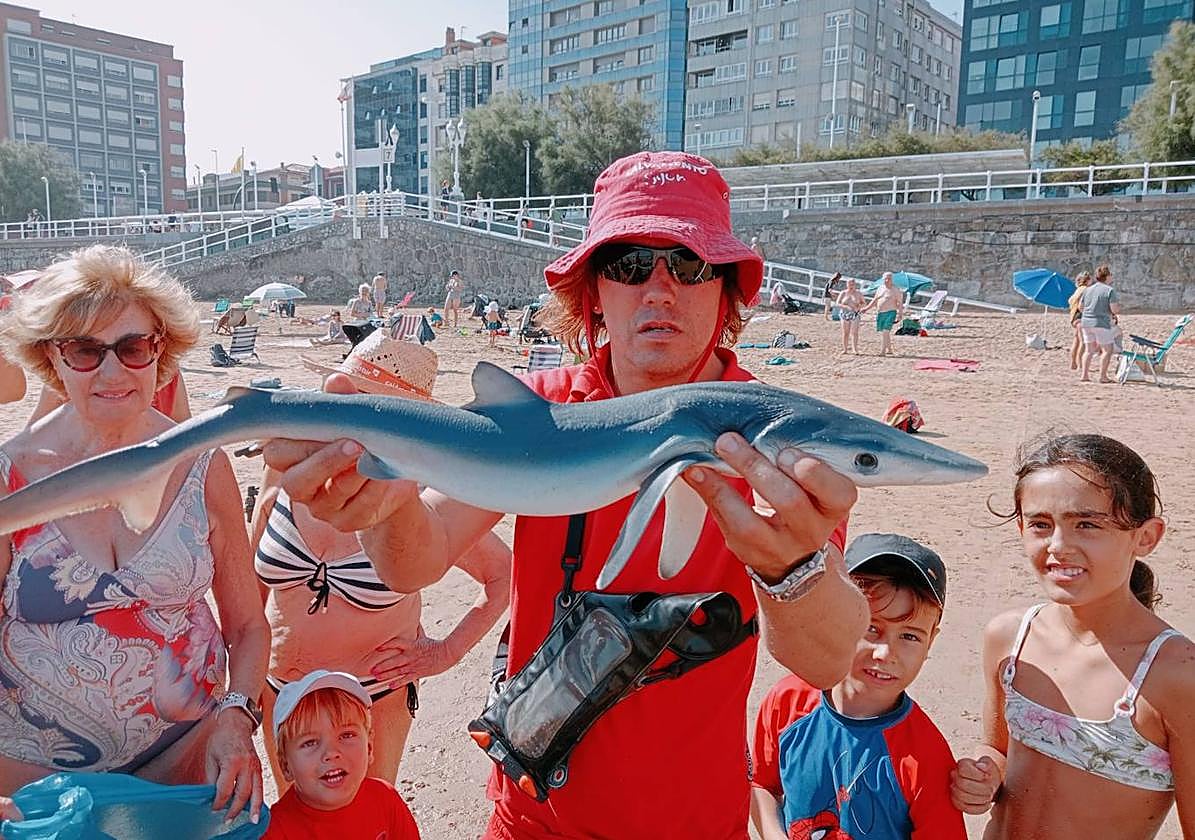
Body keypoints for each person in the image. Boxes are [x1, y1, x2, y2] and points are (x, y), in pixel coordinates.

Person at [262, 150, 868, 839]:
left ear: (727, 288)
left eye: (689, 264)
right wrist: (383, 496)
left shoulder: (778, 433)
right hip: (532, 817)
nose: (659, 288)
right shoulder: (540, 408)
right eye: (630, 264)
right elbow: (413, 560)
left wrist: (793, 570)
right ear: (593, 293)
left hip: (698, 820)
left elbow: (825, 660)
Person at [0, 245, 268, 821]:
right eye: (85, 350)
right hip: (34, 789)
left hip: (185, 769)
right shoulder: (11, 477)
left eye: (133, 347)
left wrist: (236, 717)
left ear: (160, 351)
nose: (113, 370)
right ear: (53, 357)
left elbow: (247, 625)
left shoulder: (204, 465)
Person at [259, 334, 511, 789]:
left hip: (374, 699)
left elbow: (502, 574)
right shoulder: (289, 465)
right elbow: (252, 563)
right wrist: (246, 647)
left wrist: (446, 652)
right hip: (281, 688)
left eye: (368, 406)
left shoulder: (419, 495)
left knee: (370, 820)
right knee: (294, 819)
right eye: (344, 399)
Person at [950, 434, 1195, 839]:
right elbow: (998, 749)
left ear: (1146, 537)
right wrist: (983, 771)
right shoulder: (1011, 640)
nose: (1059, 546)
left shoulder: (1175, 675)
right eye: (1041, 525)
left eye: (1087, 525)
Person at [751, 533, 965, 840]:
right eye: (871, 628)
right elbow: (761, 784)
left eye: (910, 636)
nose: (884, 653)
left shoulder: (925, 756)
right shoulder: (788, 701)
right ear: (836, 621)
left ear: (932, 640)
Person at [265, 670, 421, 839]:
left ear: (369, 747)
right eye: (310, 742)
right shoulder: (276, 831)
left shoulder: (385, 800)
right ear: (285, 766)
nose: (331, 753)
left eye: (346, 735)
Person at [1079, 264, 1121, 383]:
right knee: (1107, 350)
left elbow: (1080, 307)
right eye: (1110, 275)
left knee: (1088, 350)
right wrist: (1117, 309)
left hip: (1086, 322)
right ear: (1107, 277)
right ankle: (1102, 376)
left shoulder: (1088, 289)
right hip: (1101, 322)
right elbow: (1114, 309)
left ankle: (1084, 375)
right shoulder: (1109, 290)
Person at [862, 272, 904, 356]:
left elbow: (900, 303)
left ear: (892, 280)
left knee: (885, 331)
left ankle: (883, 351)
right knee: (885, 333)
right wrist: (866, 308)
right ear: (883, 279)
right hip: (880, 313)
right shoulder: (880, 288)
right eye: (885, 278)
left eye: (889, 279)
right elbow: (875, 300)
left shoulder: (896, 290)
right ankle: (889, 350)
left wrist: (900, 315)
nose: (887, 280)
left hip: (891, 312)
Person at [1067, 270, 1092, 371]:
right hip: (1081, 317)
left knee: (1076, 340)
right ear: (1087, 280)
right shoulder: (1086, 290)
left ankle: (1073, 363)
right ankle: (1080, 363)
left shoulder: (1077, 290)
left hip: (1074, 317)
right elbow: (1082, 306)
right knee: (1083, 341)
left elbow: (1071, 301)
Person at [836, 277, 866, 355]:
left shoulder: (858, 293)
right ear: (847, 284)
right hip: (844, 313)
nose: (851, 286)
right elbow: (837, 303)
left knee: (854, 332)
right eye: (849, 284)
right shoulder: (843, 293)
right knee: (845, 332)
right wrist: (845, 306)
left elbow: (864, 303)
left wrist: (858, 307)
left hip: (855, 314)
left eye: (853, 284)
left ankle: (855, 349)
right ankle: (845, 349)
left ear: (855, 285)